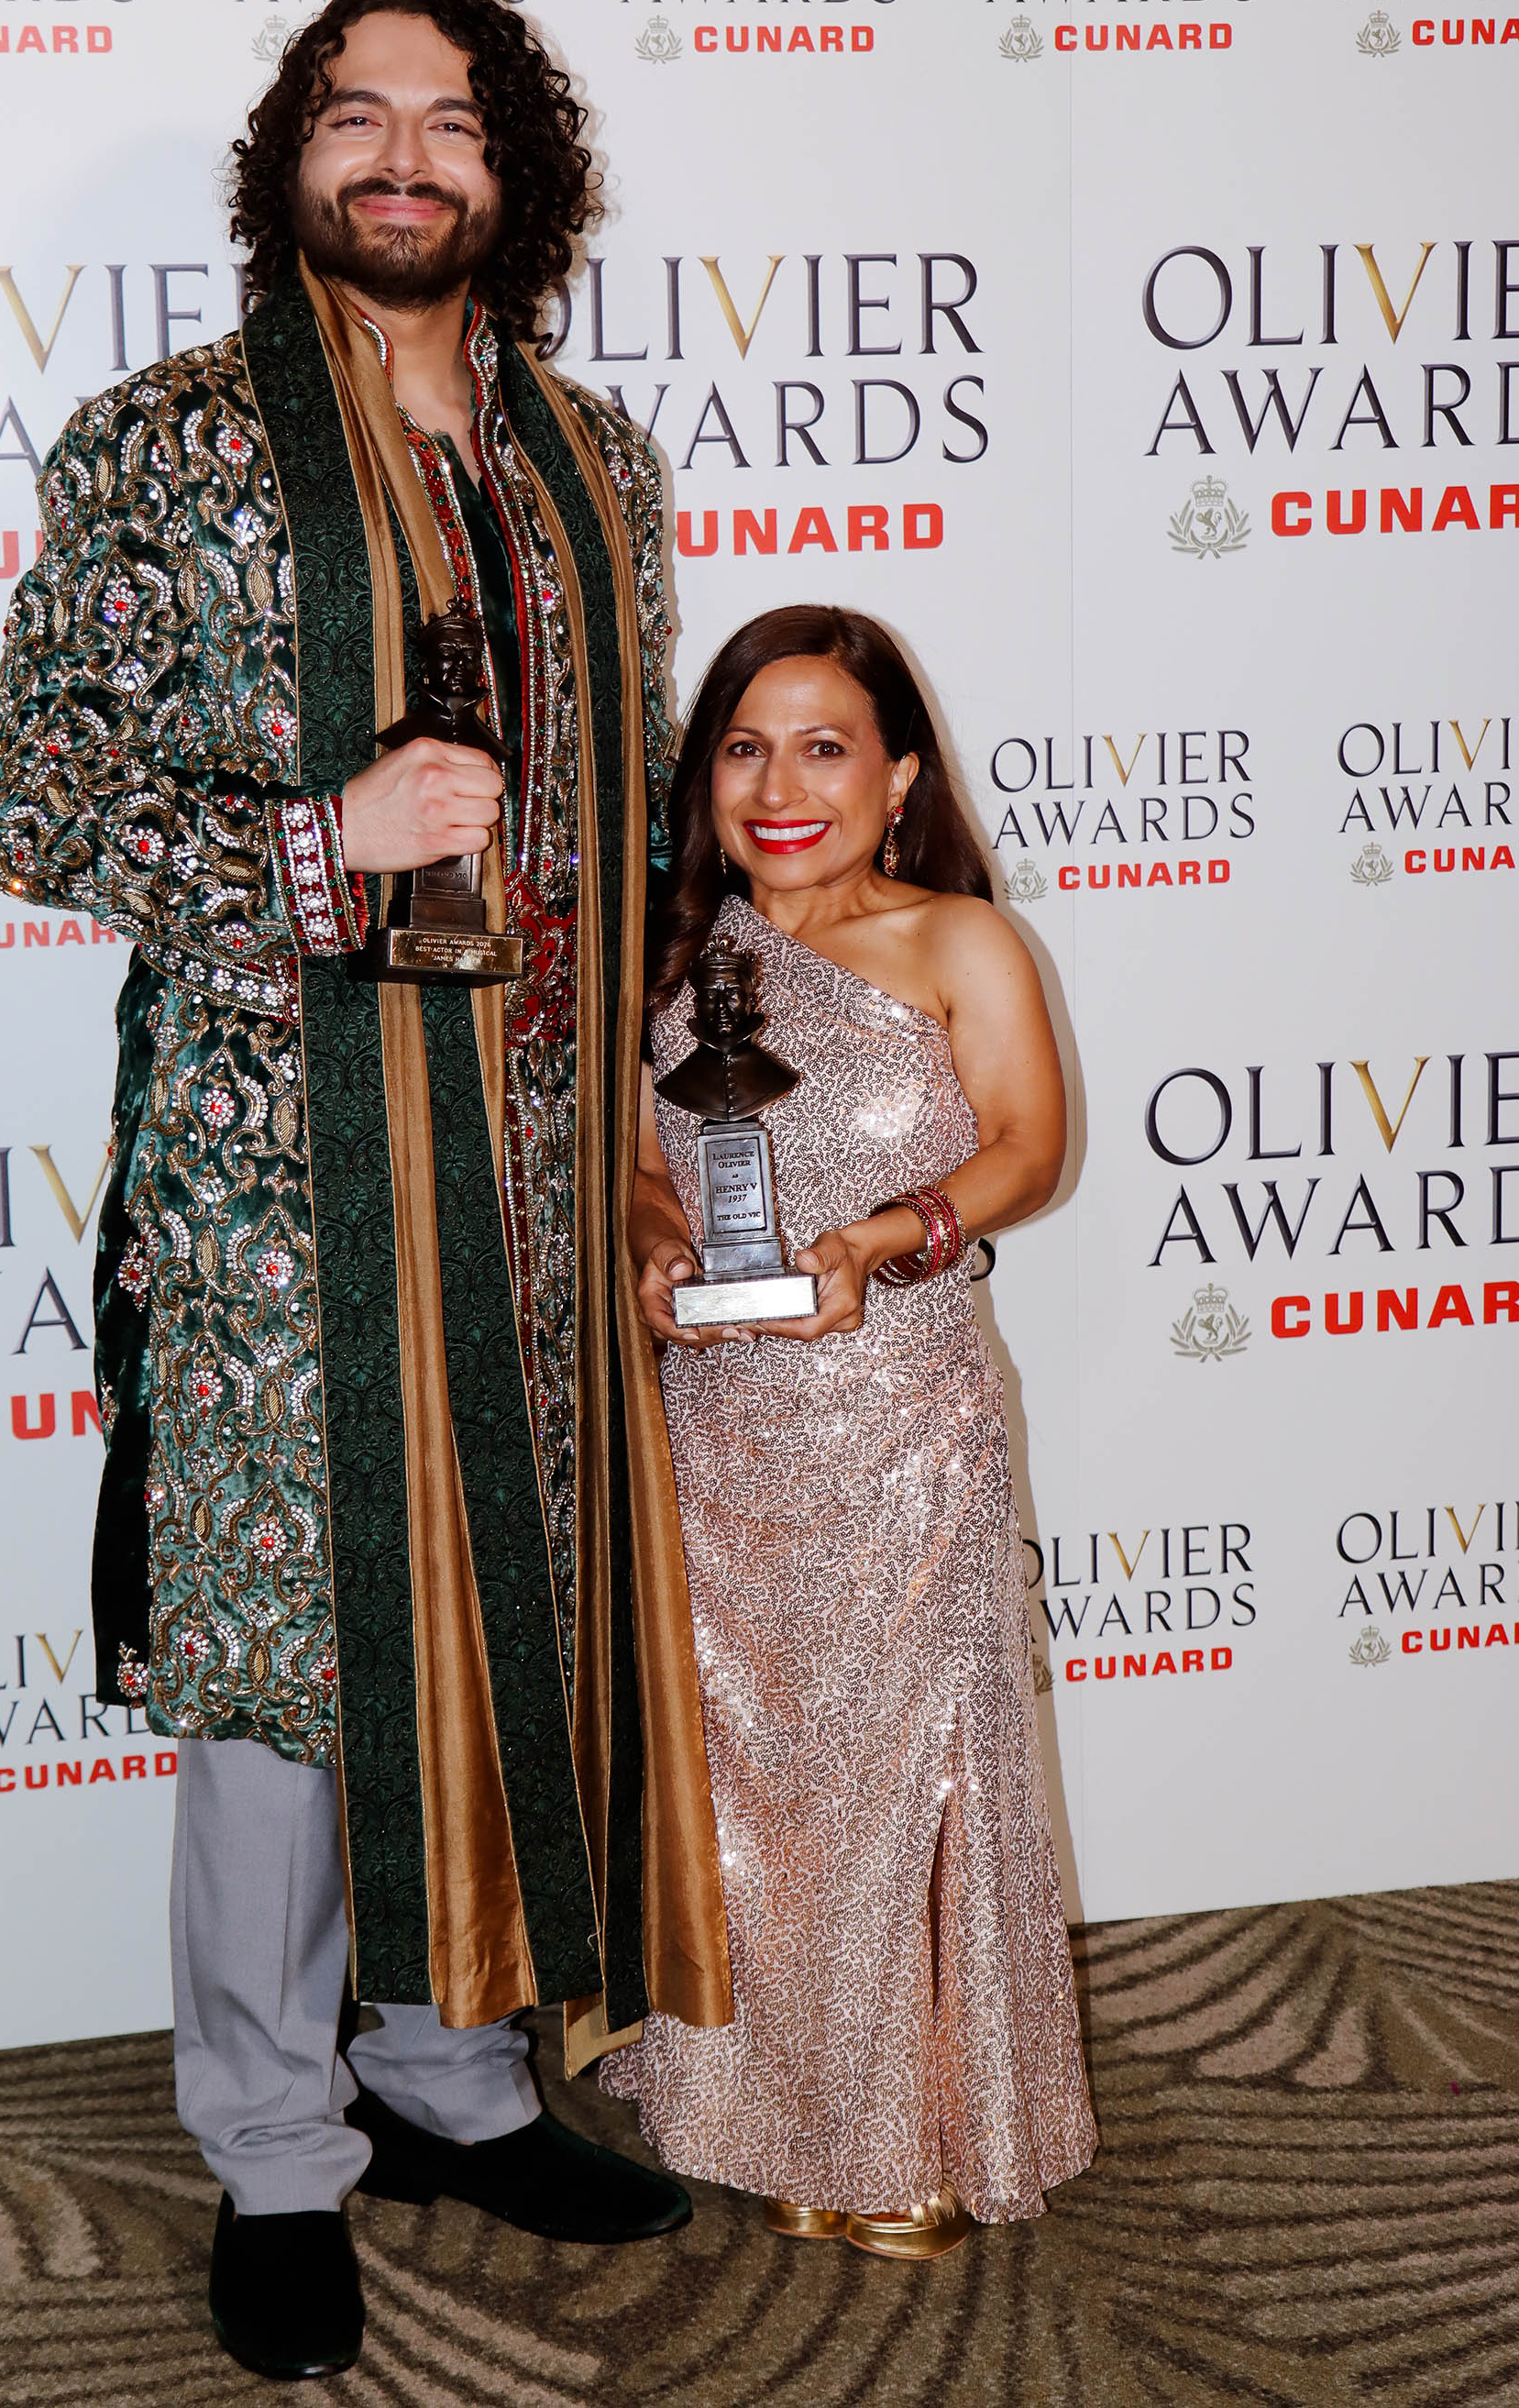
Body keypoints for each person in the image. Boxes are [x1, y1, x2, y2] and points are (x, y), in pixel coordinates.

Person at [0, 0, 732, 2383]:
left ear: (517, 174)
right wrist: (321, 842)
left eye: (451, 122)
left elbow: (623, 827)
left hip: (531, 1162)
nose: (402, 157)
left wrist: (640, 1115)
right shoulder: (169, 443)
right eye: (354, 114)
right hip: (272, 1181)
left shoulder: (593, 463)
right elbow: (33, 801)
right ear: (289, 157)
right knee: (291, 1669)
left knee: (507, 1617)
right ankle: (277, 2146)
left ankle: (455, 2071)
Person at [600, 605, 1095, 2254]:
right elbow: (637, 1164)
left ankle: (916, 2123)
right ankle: (755, 2108)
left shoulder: (960, 941)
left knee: (905, 1776)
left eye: (825, 746)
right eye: (745, 748)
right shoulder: (672, 960)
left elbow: (1028, 1144)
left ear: (898, 778)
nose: (780, 785)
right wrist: (656, 1250)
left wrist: (885, 1240)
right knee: (747, 1782)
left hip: (902, 1429)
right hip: (719, 1432)